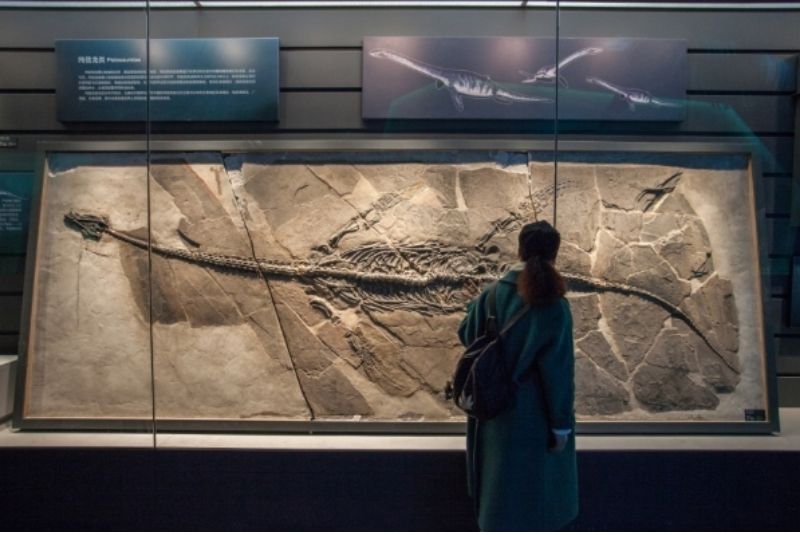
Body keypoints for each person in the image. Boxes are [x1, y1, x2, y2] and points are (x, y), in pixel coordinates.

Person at [458, 220, 578, 531]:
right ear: (555, 253)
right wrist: (561, 426)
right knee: (534, 500)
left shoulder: (491, 294)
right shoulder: (554, 306)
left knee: (498, 498)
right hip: (533, 420)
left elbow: (466, 334)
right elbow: (559, 373)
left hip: (492, 412)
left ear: (520, 249)